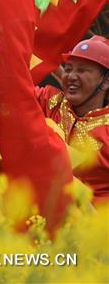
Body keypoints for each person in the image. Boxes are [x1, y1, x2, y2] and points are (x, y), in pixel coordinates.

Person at [33, 35, 109, 202]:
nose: (71, 76)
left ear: (106, 81)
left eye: (82, 70)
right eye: (68, 69)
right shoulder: (48, 100)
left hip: (95, 222)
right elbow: (13, 91)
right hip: (41, 215)